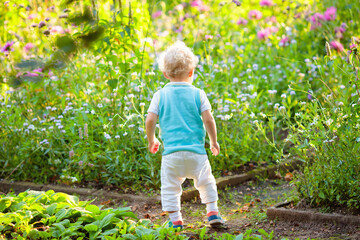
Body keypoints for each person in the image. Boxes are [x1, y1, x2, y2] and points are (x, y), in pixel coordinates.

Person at [145, 41, 225, 229]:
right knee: (206, 182)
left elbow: (150, 120)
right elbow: (209, 120)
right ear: (191, 72)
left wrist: (152, 139)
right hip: (196, 153)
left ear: (165, 74)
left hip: (171, 155)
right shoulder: (198, 94)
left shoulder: (160, 95)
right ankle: (213, 212)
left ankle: (175, 220)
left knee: (170, 188)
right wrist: (213, 141)